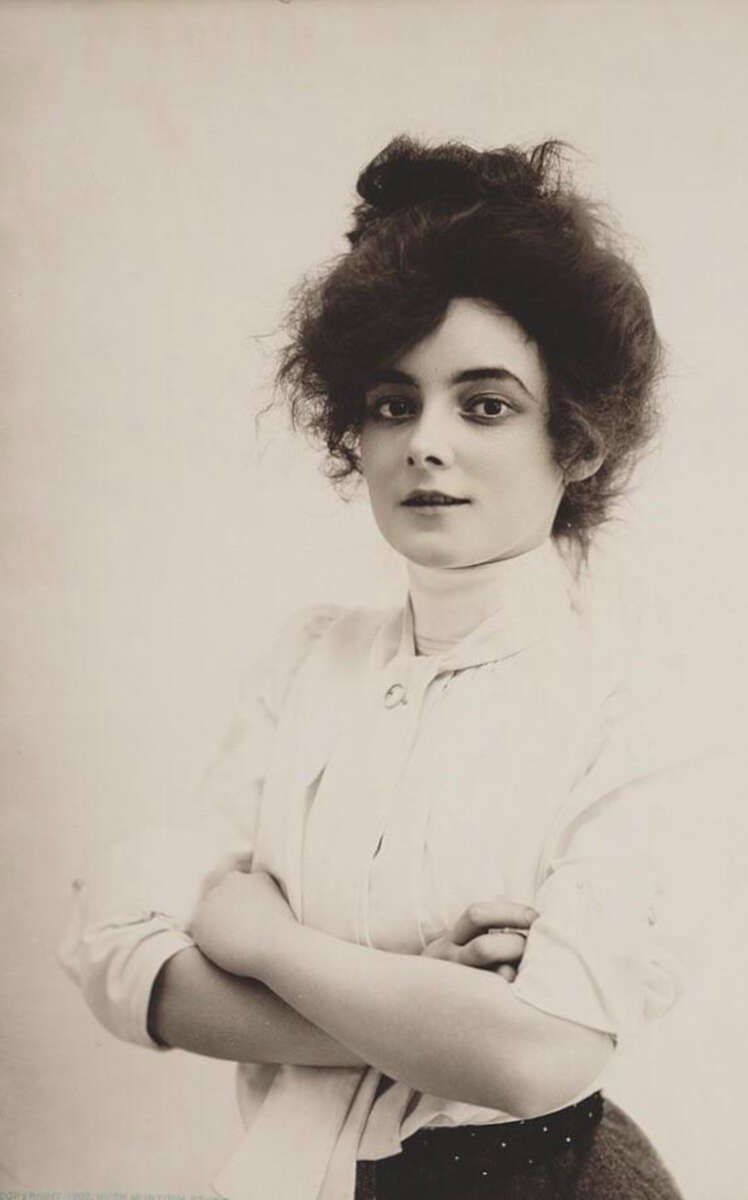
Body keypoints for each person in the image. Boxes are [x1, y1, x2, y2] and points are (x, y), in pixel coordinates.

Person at [59, 135, 685, 1200]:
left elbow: (537, 1055)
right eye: (394, 404)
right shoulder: (307, 661)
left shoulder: (632, 701)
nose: (423, 444)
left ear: (575, 440)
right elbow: (116, 951)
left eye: (484, 405)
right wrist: (421, 1007)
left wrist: (256, 935)